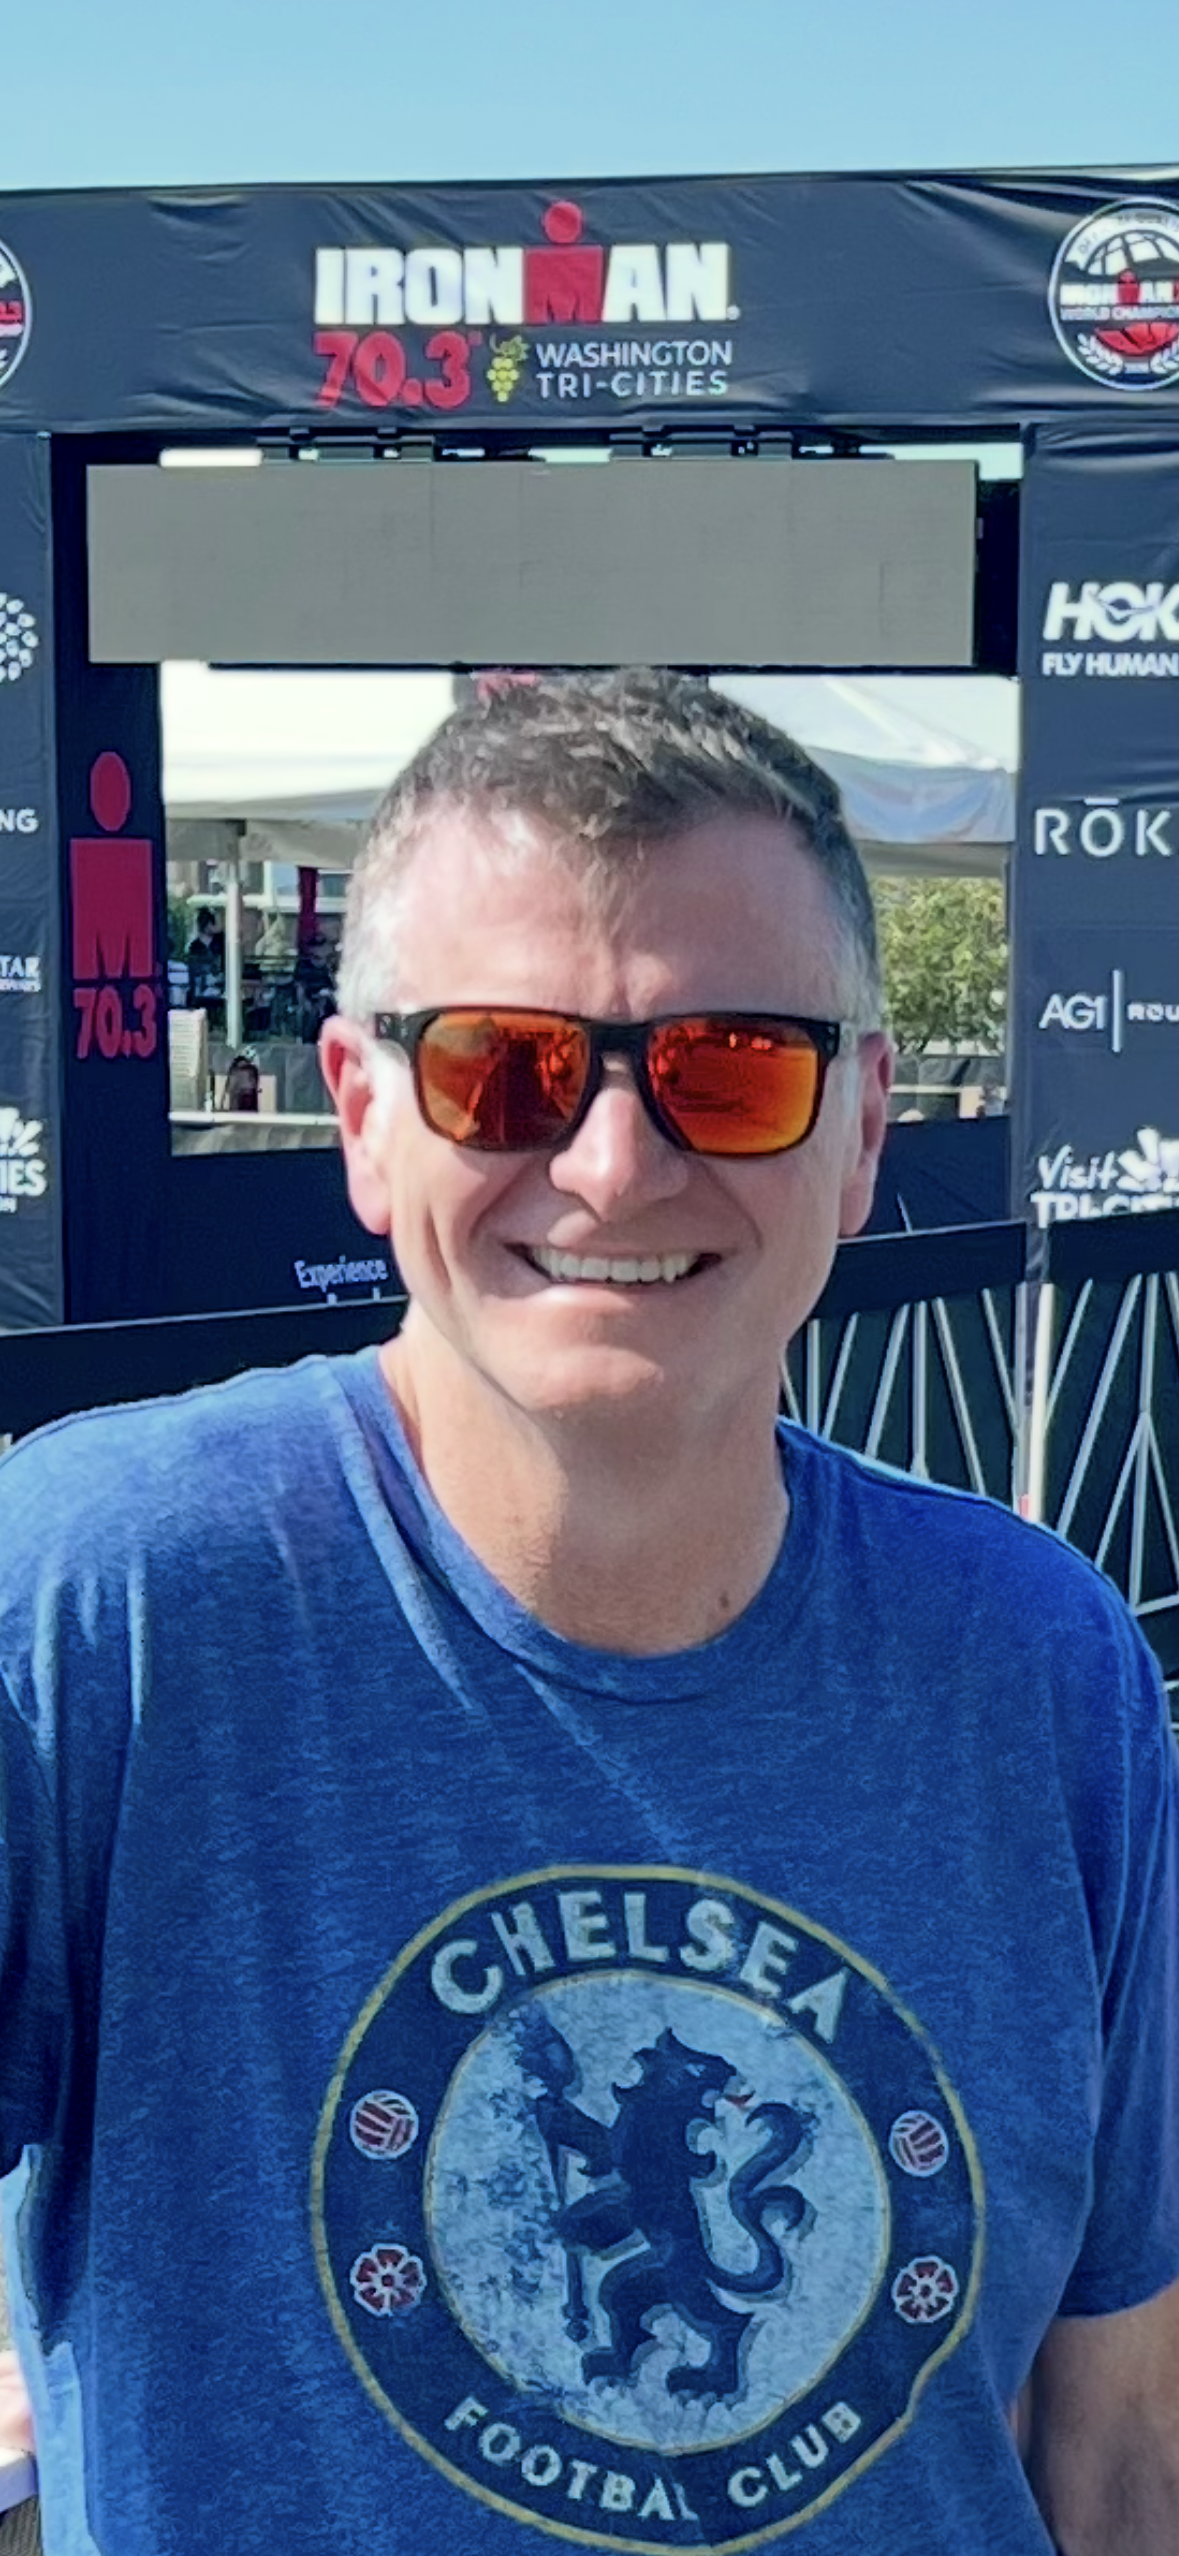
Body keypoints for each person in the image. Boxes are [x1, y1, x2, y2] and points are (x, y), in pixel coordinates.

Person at [0, 670, 1176, 2556]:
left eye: (729, 1066)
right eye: (502, 1068)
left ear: (864, 1123)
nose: (613, 1163)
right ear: (366, 1118)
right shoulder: (95, 1605)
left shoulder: (1041, 1668)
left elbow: (1115, 2433)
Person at [184, 904, 223, 1010]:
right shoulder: (194, 947)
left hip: (219, 986)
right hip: (201, 987)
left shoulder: (220, 942)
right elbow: (193, 968)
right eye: (211, 923)